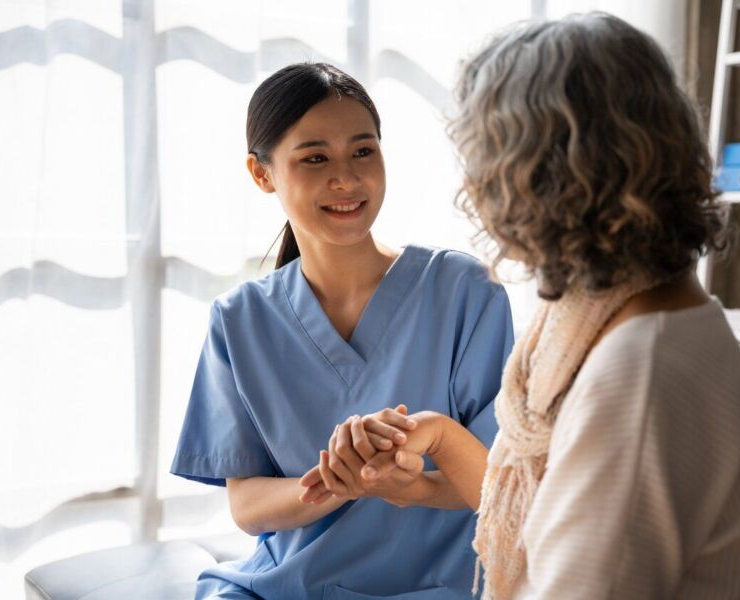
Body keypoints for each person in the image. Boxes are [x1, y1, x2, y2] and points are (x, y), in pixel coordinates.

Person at [302, 13, 740, 599]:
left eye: (486, 163)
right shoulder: (649, 318)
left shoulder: (636, 381)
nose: (476, 191)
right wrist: (436, 436)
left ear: (542, 179)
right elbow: (568, 511)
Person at [170, 62, 514, 599]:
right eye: (315, 158)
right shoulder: (239, 319)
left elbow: (498, 486)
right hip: (285, 587)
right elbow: (247, 505)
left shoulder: (464, 290)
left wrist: (410, 485)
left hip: (437, 588)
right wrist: (337, 481)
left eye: (363, 151)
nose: (347, 179)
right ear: (263, 175)